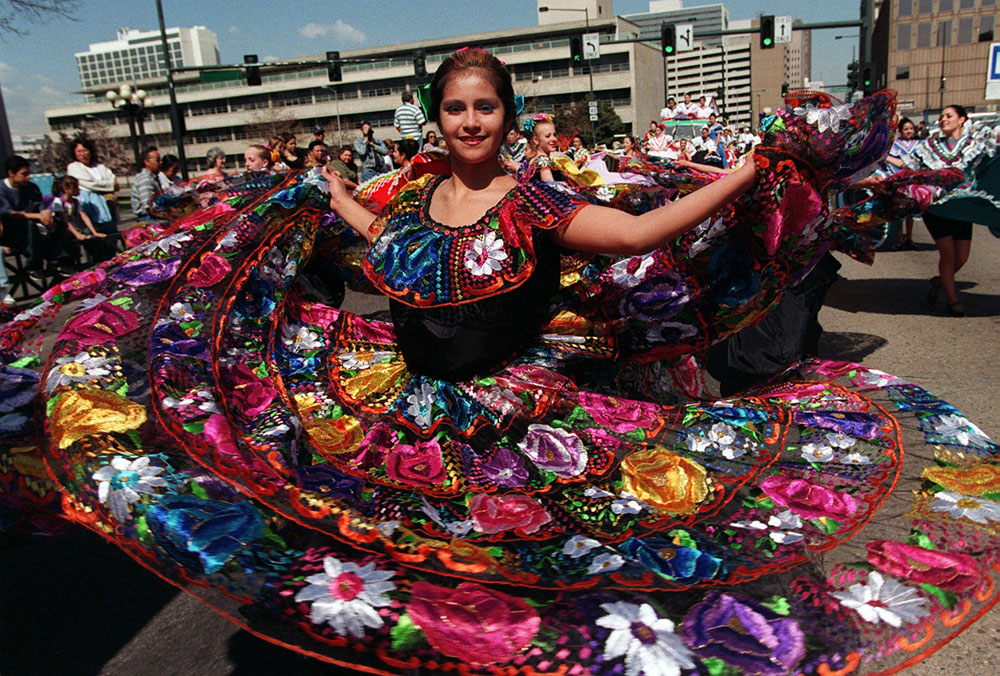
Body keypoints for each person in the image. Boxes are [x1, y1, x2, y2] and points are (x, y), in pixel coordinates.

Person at [5, 48, 998, 676]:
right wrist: (303, 193)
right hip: (400, 411)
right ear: (435, 117)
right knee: (405, 566)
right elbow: (359, 230)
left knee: (555, 564)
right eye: (455, 108)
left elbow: (645, 226)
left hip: (512, 421)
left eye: (485, 107)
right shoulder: (400, 203)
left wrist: (745, 169)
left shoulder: (536, 204)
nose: (470, 121)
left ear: (505, 113)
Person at [905, 105, 995, 316]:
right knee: (948, 254)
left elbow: (990, 163)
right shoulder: (929, 146)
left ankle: (939, 282)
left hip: (963, 208)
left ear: (962, 119)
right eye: (942, 116)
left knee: (961, 258)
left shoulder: (976, 144)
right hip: (937, 208)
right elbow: (909, 166)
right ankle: (953, 301)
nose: (943, 120)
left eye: (949, 116)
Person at [0, 155, 68, 283]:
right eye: (24, 174)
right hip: (11, 232)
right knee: (30, 224)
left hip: (33, 226)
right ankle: (33, 266)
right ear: (11, 173)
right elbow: (9, 213)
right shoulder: (2, 190)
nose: (28, 177)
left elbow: (40, 205)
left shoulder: (31, 187)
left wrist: (47, 213)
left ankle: (57, 261)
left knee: (57, 222)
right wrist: (38, 216)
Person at [51, 175, 114, 265]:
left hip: (76, 228)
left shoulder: (76, 201)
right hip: (64, 230)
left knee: (96, 242)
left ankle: (101, 262)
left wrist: (94, 232)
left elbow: (84, 216)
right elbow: (66, 221)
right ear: (66, 189)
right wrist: (77, 234)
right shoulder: (58, 202)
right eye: (75, 187)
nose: (78, 189)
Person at [65, 138, 119, 235]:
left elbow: (112, 178)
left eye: (85, 150)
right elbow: (89, 184)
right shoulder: (73, 167)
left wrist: (108, 184)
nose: (83, 154)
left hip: (108, 206)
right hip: (88, 206)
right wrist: (109, 186)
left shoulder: (99, 167)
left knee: (111, 236)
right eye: (79, 151)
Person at [883, 117, 920, 249]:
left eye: (911, 128)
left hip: (913, 181)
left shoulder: (920, 145)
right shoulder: (894, 145)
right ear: (900, 131)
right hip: (898, 181)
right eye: (906, 129)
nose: (909, 131)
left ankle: (909, 238)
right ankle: (898, 239)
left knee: (911, 211)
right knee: (899, 210)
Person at [129, 146, 162, 221]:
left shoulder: (153, 177)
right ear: (147, 162)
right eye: (157, 160)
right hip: (149, 218)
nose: (161, 162)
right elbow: (148, 207)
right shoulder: (145, 179)